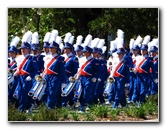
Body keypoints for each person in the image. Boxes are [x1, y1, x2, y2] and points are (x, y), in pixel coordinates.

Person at [13, 34, 40, 112]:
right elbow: (19, 67)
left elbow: (35, 69)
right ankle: (28, 106)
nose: (22, 50)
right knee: (20, 92)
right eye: (21, 49)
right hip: (20, 77)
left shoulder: (32, 58)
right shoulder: (20, 58)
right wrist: (17, 72)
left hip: (27, 78)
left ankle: (22, 109)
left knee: (24, 93)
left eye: (24, 49)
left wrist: (31, 76)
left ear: (28, 49)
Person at [76, 46, 101, 113]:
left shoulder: (94, 61)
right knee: (81, 92)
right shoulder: (82, 59)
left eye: (85, 51)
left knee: (86, 92)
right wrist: (77, 75)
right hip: (82, 78)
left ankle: (83, 106)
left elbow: (98, 71)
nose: (83, 52)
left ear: (89, 52)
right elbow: (80, 69)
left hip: (89, 78)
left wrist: (95, 77)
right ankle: (85, 104)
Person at [43, 41, 67, 109]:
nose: (50, 49)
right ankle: (58, 106)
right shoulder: (47, 57)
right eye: (50, 47)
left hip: (56, 77)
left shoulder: (60, 59)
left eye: (52, 48)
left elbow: (62, 71)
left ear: (56, 49)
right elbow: (46, 68)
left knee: (52, 91)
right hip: (48, 76)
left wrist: (63, 81)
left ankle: (49, 106)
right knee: (48, 91)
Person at [62, 42, 79, 108]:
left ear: (71, 49)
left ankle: (65, 104)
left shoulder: (74, 58)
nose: (65, 50)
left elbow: (75, 69)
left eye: (67, 49)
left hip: (69, 77)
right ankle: (71, 102)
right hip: (63, 76)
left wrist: (74, 77)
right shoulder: (62, 57)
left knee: (68, 90)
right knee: (63, 90)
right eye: (64, 48)